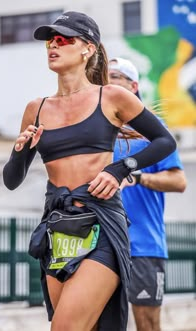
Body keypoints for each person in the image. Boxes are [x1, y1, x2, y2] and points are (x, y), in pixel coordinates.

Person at [3, 11, 177, 331]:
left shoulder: (111, 97)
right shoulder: (36, 108)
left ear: (88, 48)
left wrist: (120, 169)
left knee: (66, 328)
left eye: (64, 39)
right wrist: (18, 152)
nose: (54, 46)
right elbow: (12, 180)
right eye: (50, 42)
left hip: (101, 225)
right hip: (58, 228)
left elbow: (165, 141)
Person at [109, 57, 187, 331]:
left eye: (116, 76)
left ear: (133, 86)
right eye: (106, 76)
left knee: (147, 325)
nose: (109, 80)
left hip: (143, 245)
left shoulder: (151, 132)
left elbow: (179, 181)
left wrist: (138, 176)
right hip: (102, 245)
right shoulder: (101, 132)